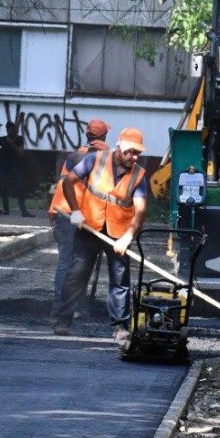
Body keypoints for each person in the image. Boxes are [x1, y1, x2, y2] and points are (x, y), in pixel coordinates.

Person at [53, 127, 149, 346]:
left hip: (118, 233)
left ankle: (120, 327)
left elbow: (141, 209)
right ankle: (62, 320)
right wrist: (76, 211)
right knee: (77, 272)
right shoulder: (94, 160)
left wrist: (128, 237)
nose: (134, 157)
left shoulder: (138, 175)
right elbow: (68, 182)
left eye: (138, 153)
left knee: (120, 279)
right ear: (119, 146)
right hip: (90, 226)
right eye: (131, 152)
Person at [47, 118, 110, 316]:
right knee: (69, 261)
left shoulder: (75, 155)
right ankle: (60, 306)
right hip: (68, 214)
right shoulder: (85, 157)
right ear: (103, 136)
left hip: (66, 213)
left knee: (75, 261)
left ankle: (71, 304)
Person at [0, 121, 32, 217]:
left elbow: (21, 153)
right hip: (4, 166)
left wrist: (12, 144)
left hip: (15, 166)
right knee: (4, 187)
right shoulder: (2, 139)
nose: (12, 131)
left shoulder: (19, 139)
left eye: (13, 129)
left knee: (19, 187)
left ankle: (23, 209)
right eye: (10, 129)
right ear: (7, 130)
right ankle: (6, 209)